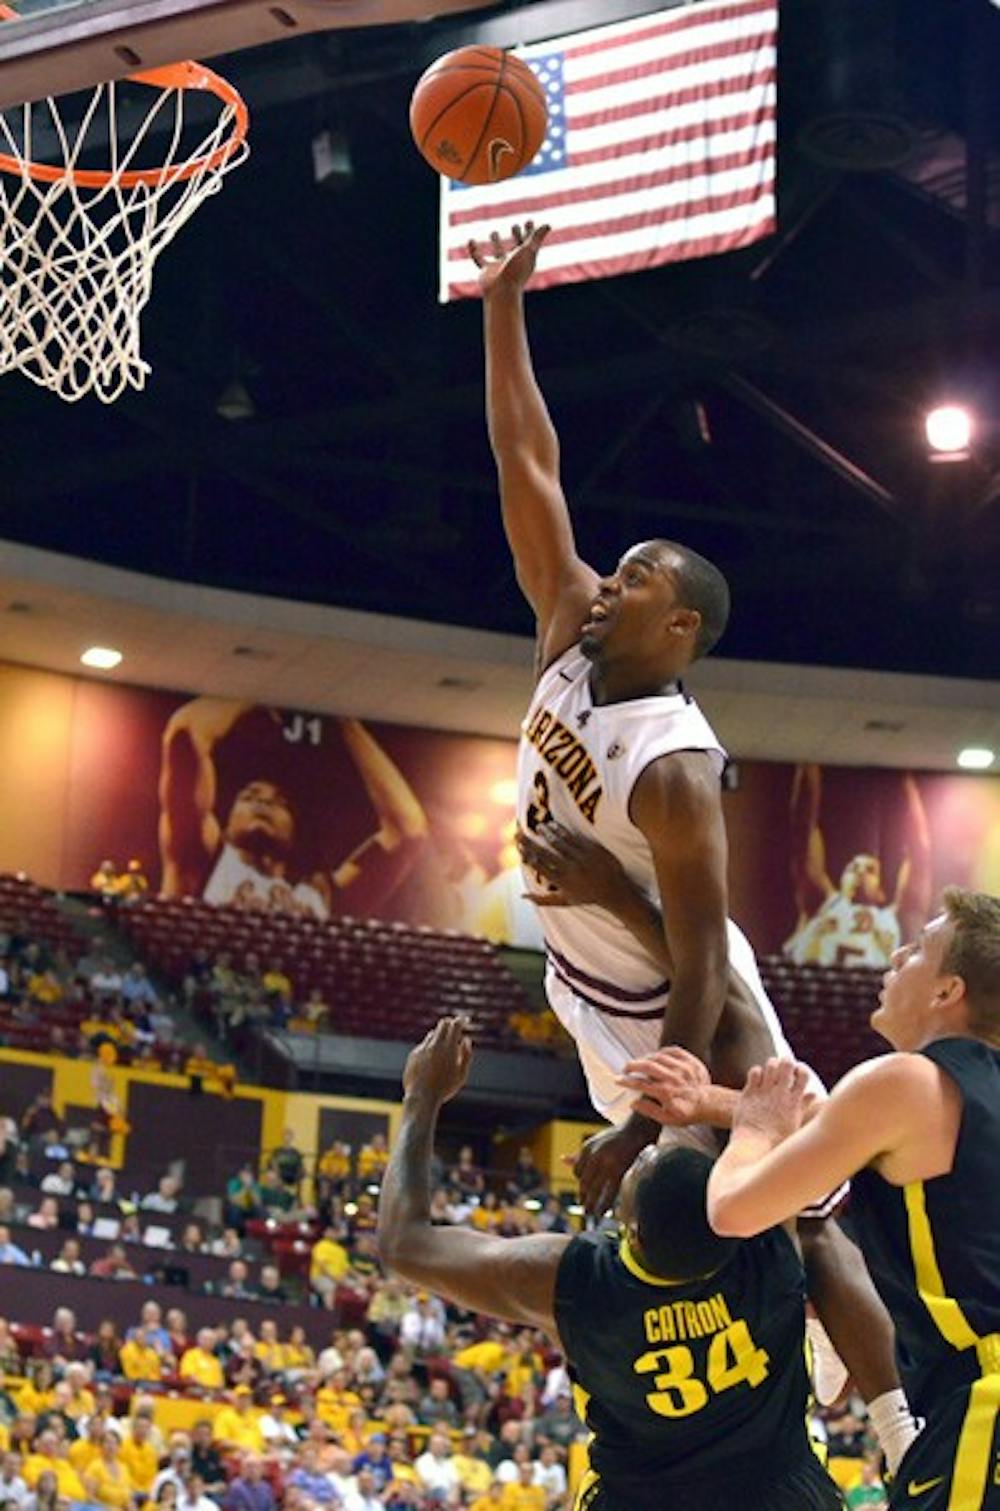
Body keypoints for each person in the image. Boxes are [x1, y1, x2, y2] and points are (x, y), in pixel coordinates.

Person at [471, 221, 915, 1464]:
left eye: (631, 580)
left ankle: (893, 1426)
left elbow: (705, 965)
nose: (601, 585)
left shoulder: (673, 770)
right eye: (608, 572)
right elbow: (527, 459)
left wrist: (656, 1108)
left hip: (685, 995)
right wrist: (504, 305)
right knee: (692, 1217)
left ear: (679, 627)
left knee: (801, 1207)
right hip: (592, 984)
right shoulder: (568, 631)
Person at [378, 1018, 845, 1510]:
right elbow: (817, 1121)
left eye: (639, 1166)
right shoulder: (766, 1243)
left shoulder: (574, 1282)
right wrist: (734, 1115)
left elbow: (404, 1244)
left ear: (633, 1231)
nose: (644, 1150)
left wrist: (421, 1098)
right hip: (780, 1494)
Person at [649, 887, 997, 1511]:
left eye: (918, 950)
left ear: (948, 991)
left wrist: (750, 1128)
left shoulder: (906, 1080)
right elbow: (836, 1130)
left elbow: (733, 1209)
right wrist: (714, 1105)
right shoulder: (952, 1096)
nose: (896, 956)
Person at [158, 697, 428, 918]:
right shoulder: (199, 859)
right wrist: (252, 699)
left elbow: (408, 830)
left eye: (279, 803)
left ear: (294, 830)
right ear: (225, 823)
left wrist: (344, 722)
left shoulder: (320, 893)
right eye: (250, 796)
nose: (263, 802)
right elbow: (185, 732)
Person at [784, 765, 932, 968]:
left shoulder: (895, 918)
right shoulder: (823, 904)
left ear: (880, 892)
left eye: (869, 869)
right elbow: (803, 834)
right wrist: (808, 768)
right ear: (841, 882)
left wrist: (907, 784)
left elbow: (920, 857)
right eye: (853, 868)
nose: (860, 871)